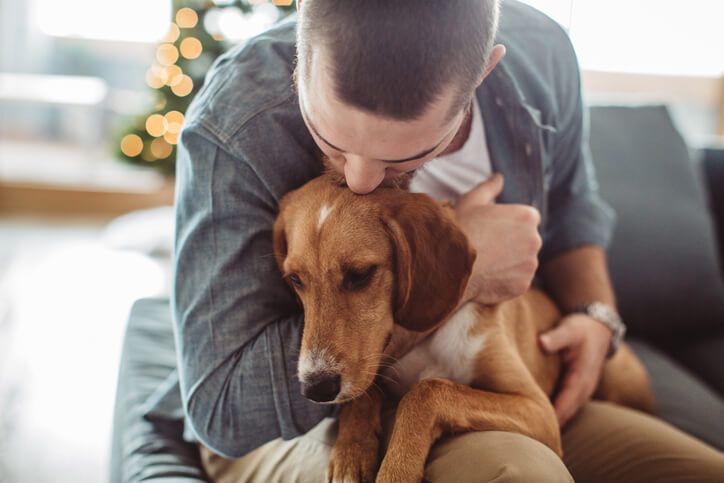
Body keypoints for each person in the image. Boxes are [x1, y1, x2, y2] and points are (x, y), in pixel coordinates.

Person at [170, 0, 724, 481]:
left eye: (401, 156)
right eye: (330, 137)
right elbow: (221, 411)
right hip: (281, 426)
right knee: (516, 471)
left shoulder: (544, 52)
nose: (360, 181)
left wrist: (595, 314)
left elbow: (575, 201)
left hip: (506, 396)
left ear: (482, 73)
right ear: (301, 52)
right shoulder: (234, 121)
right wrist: (470, 271)